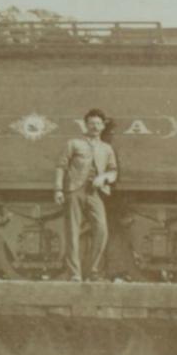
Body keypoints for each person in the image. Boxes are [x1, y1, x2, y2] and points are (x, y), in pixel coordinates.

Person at [54, 108, 117, 280]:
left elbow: (113, 172)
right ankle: (75, 274)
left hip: (94, 193)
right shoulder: (74, 143)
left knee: (102, 230)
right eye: (91, 123)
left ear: (103, 126)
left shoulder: (106, 148)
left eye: (98, 123)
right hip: (74, 190)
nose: (95, 127)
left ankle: (93, 270)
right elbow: (61, 166)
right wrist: (58, 189)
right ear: (86, 125)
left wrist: (104, 178)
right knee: (72, 233)